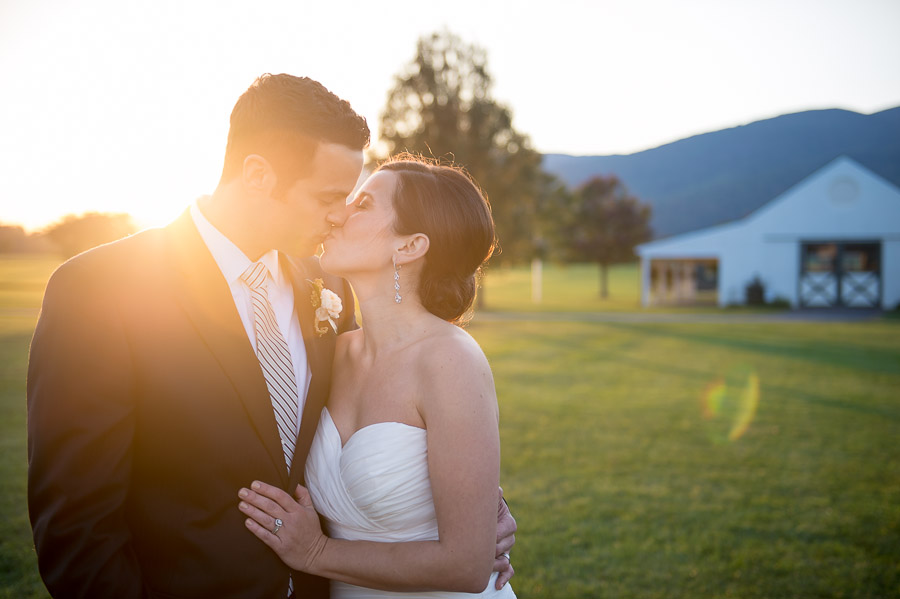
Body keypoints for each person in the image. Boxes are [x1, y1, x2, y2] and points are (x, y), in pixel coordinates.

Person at [27, 74, 515, 598]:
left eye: (352, 200)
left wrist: (473, 498)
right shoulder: (102, 289)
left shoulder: (326, 282)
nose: (339, 215)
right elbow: (76, 523)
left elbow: (388, 420)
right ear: (258, 175)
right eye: (330, 196)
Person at [237, 156, 517, 598]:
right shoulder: (334, 350)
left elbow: (466, 564)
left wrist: (315, 553)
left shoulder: (450, 359)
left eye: (363, 203)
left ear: (409, 247)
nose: (341, 211)